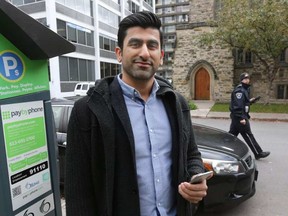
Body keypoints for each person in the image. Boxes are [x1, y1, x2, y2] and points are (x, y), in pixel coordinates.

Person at [65, 11, 210, 216]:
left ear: (161, 56)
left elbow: (191, 155)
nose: (144, 53)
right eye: (135, 44)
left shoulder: (176, 103)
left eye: (152, 46)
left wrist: (195, 176)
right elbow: (78, 193)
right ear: (119, 53)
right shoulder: (87, 111)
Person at [229, 72, 270, 160]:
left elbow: (244, 103)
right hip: (240, 117)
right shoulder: (239, 90)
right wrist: (241, 118)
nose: (247, 80)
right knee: (248, 134)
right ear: (242, 80)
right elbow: (237, 106)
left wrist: (251, 101)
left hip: (238, 117)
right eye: (245, 78)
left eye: (248, 78)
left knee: (231, 136)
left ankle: (222, 149)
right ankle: (258, 152)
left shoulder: (244, 89)